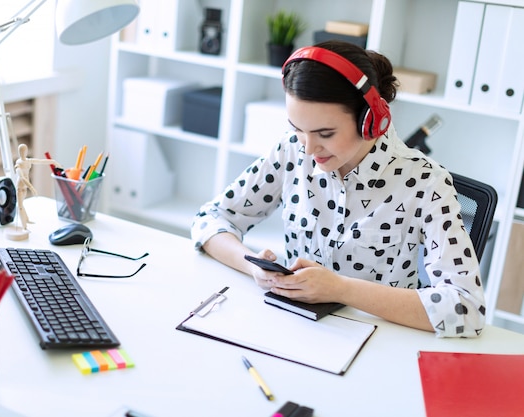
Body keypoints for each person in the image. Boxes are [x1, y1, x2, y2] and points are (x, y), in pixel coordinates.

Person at [191, 40, 486, 338]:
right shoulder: (292, 149)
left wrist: (340, 289)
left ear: (370, 120)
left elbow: (467, 308)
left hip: (380, 342)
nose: (308, 148)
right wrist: (252, 267)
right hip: (293, 330)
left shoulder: (425, 181)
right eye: (297, 128)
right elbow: (210, 219)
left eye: (325, 133)